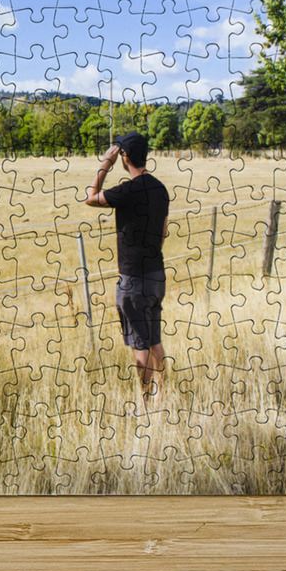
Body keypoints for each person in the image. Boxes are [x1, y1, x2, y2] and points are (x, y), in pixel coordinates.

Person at [81, 132, 171, 409]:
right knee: (154, 338)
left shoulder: (128, 190)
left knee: (138, 344)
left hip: (133, 281)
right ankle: (162, 395)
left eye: (119, 154)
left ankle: (144, 405)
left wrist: (105, 164)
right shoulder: (161, 189)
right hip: (157, 275)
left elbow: (90, 197)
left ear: (125, 156)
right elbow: (165, 231)